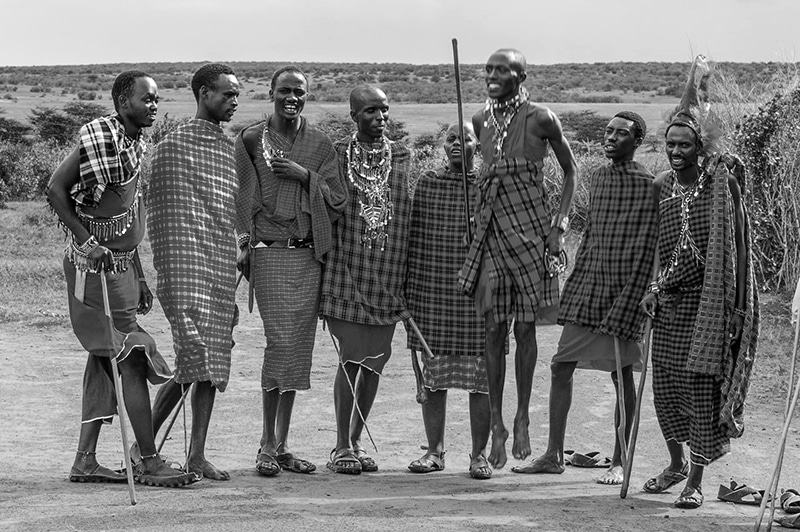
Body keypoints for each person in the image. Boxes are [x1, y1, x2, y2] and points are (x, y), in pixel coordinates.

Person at [47, 70, 196, 487]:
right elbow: (56, 190)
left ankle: (85, 461)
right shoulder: (100, 141)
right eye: (146, 99)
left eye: (156, 99)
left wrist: (140, 274)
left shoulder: (133, 145)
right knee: (131, 353)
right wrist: (89, 240)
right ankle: (148, 460)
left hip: (122, 267)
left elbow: (130, 213)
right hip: (92, 268)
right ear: (122, 103)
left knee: (104, 360)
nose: (153, 105)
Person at [639, 56, 758, 509]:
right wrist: (652, 287)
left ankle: (696, 479)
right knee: (665, 389)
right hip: (669, 304)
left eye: (685, 144)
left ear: (700, 146)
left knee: (700, 391)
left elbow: (738, 248)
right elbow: (657, 247)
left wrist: (738, 307)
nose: (675, 150)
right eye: (670, 142)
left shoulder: (719, 185)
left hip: (707, 307)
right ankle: (673, 463)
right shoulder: (662, 186)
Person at [513, 112, 657, 484]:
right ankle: (553, 455)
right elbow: (593, 232)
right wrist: (575, 278)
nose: (611, 138)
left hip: (623, 289)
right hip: (589, 281)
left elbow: (648, 243)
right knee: (561, 366)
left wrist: (638, 293)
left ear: (637, 141)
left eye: (621, 134)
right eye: (608, 131)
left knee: (621, 376)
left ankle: (620, 461)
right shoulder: (598, 176)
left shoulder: (649, 183)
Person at [458, 48, 578, 469]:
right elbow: (481, 177)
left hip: (530, 236)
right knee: (493, 330)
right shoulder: (478, 120)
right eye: (488, 69)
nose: (492, 75)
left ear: (521, 75)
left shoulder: (542, 118)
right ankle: (496, 424)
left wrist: (559, 227)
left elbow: (571, 172)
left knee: (525, 331)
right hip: (492, 236)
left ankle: (522, 415)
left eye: (502, 69)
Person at [234, 66, 347, 476]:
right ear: (270, 92)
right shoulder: (249, 139)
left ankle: (282, 445)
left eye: (299, 91)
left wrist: (305, 177)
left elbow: (338, 199)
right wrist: (244, 246)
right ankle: (266, 442)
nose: (292, 97)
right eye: (284, 90)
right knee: (278, 343)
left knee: (298, 350)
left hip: (307, 255)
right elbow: (240, 198)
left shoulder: (319, 144)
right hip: (269, 255)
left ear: (307, 95)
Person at [146, 62, 241, 481]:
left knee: (213, 357)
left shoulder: (227, 147)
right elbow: (161, 212)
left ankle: (196, 454)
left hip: (219, 262)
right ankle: (145, 447)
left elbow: (229, 206)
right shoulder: (172, 146)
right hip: (182, 261)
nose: (233, 101)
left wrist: (237, 247)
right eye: (226, 94)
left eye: (237, 94)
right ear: (204, 94)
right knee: (195, 354)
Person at [320, 85, 412, 475]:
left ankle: (357, 440)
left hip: (389, 271)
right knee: (351, 358)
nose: (380, 117)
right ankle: (341, 444)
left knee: (375, 362)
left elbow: (408, 210)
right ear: (354, 115)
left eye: (384, 110)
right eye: (371, 111)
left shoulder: (403, 156)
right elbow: (325, 201)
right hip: (346, 269)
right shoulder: (338, 155)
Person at [406, 123, 494, 480]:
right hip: (433, 288)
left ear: (479, 145)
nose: (458, 144)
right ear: (443, 145)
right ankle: (434, 450)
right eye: (452, 138)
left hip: (478, 294)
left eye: (467, 138)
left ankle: (479, 455)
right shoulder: (428, 183)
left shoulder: (490, 186)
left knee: (482, 378)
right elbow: (414, 235)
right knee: (434, 376)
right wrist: (407, 288)